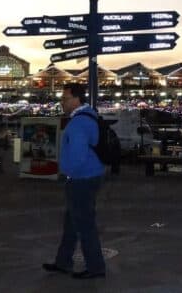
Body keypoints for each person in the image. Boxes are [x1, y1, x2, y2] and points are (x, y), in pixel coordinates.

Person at [43, 83, 106, 279]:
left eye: (65, 98)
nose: (62, 102)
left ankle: (95, 267)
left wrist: (66, 172)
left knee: (84, 225)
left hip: (81, 179)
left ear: (76, 99)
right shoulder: (89, 116)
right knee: (72, 222)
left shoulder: (78, 123)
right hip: (92, 174)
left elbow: (77, 157)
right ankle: (63, 261)